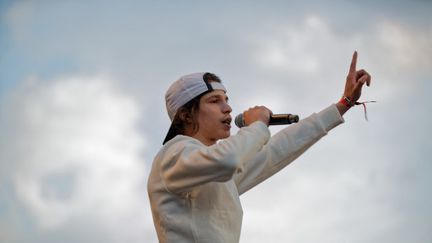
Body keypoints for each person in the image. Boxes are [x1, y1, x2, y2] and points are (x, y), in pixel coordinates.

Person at [147, 51, 372, 243]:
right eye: (214, 101)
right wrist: (256, 126)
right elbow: (228, 160)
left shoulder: (212, 172)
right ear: (186, 115)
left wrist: (344, 104)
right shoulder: (174, 154)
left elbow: (277, 150)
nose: (227, 108)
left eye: (226, 99)